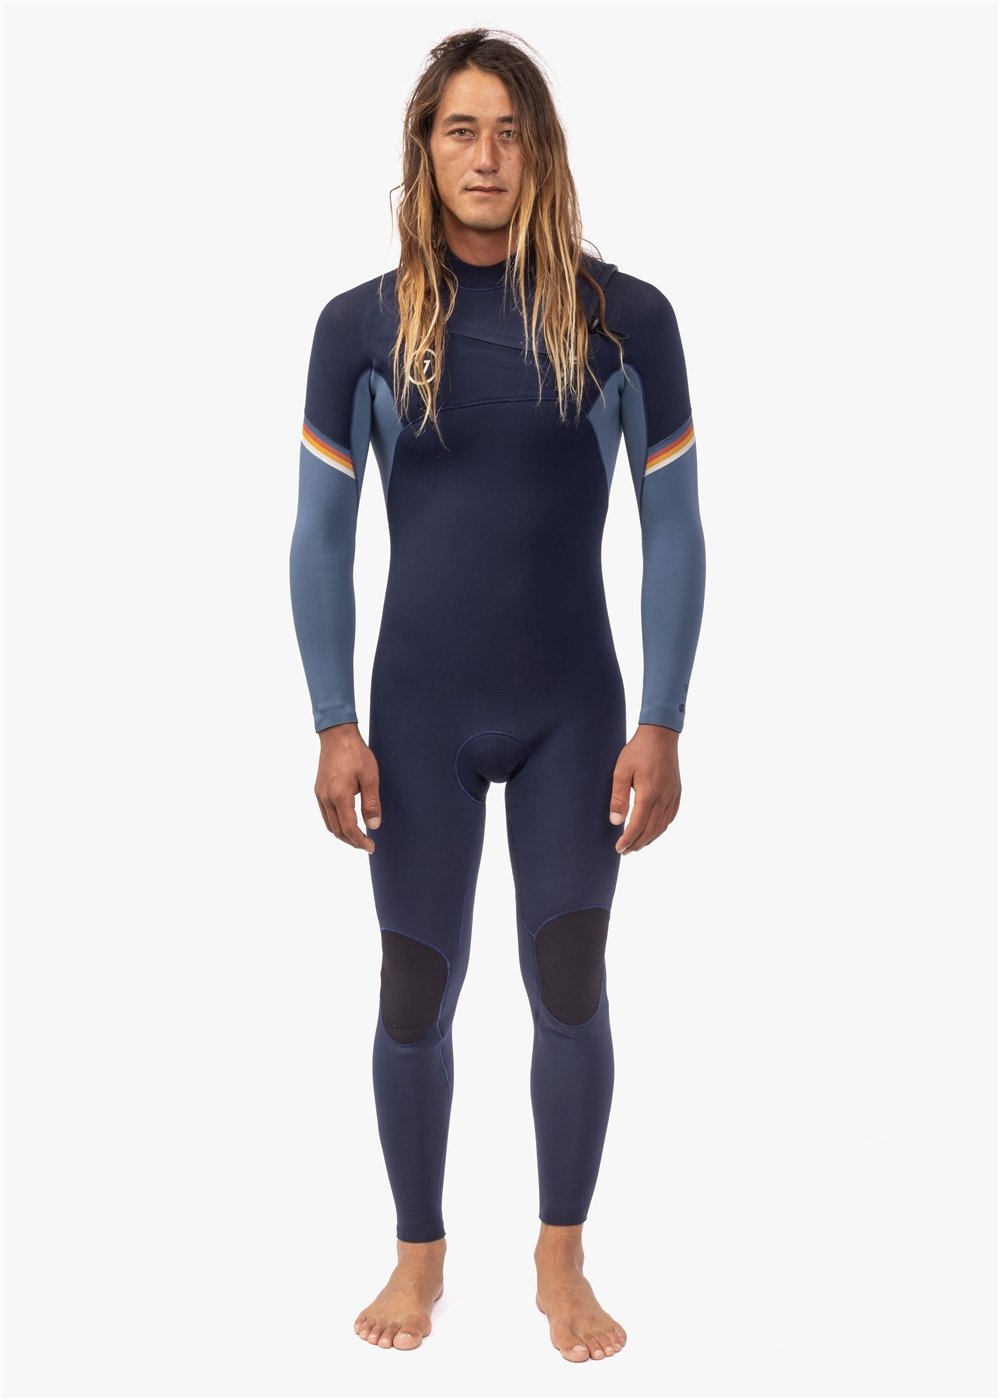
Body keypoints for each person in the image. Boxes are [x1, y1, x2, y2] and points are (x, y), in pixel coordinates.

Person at [289, 26, 706, 1363]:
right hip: (414, 713)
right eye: (461, 130)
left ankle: (559, 1258)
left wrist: (663, 719)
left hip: (577, 708)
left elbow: (676, 529)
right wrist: (333, 721)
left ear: (543, 152)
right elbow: (318, 536)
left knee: (569, 979)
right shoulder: (358, 327)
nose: (487, 157)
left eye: (511, 132)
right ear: (425, 151)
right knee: (414, 988)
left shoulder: (625, 319)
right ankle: (418, 1255)